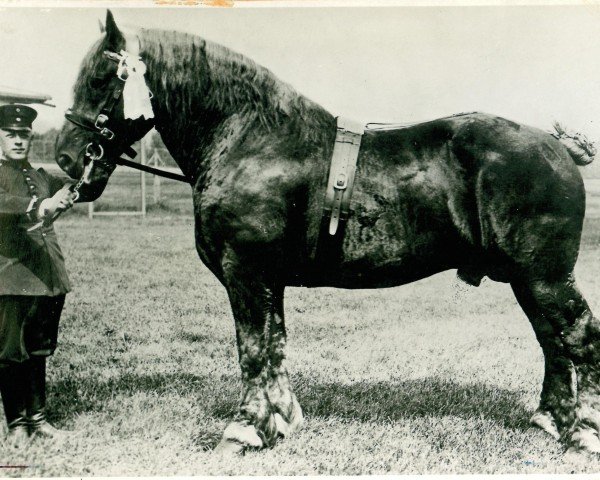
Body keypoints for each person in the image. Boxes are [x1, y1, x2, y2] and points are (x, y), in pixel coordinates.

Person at [0, 102, 76, 446]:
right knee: (10, 352)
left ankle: (39, 419)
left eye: (24, 135)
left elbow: (82, 185)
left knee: (39, 349)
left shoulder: (41, 175)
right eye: (10, 135)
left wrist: (67, 190)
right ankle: (17, 423)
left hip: (47, 277)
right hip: (11, 278)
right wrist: (39, 206)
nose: (18, 141)